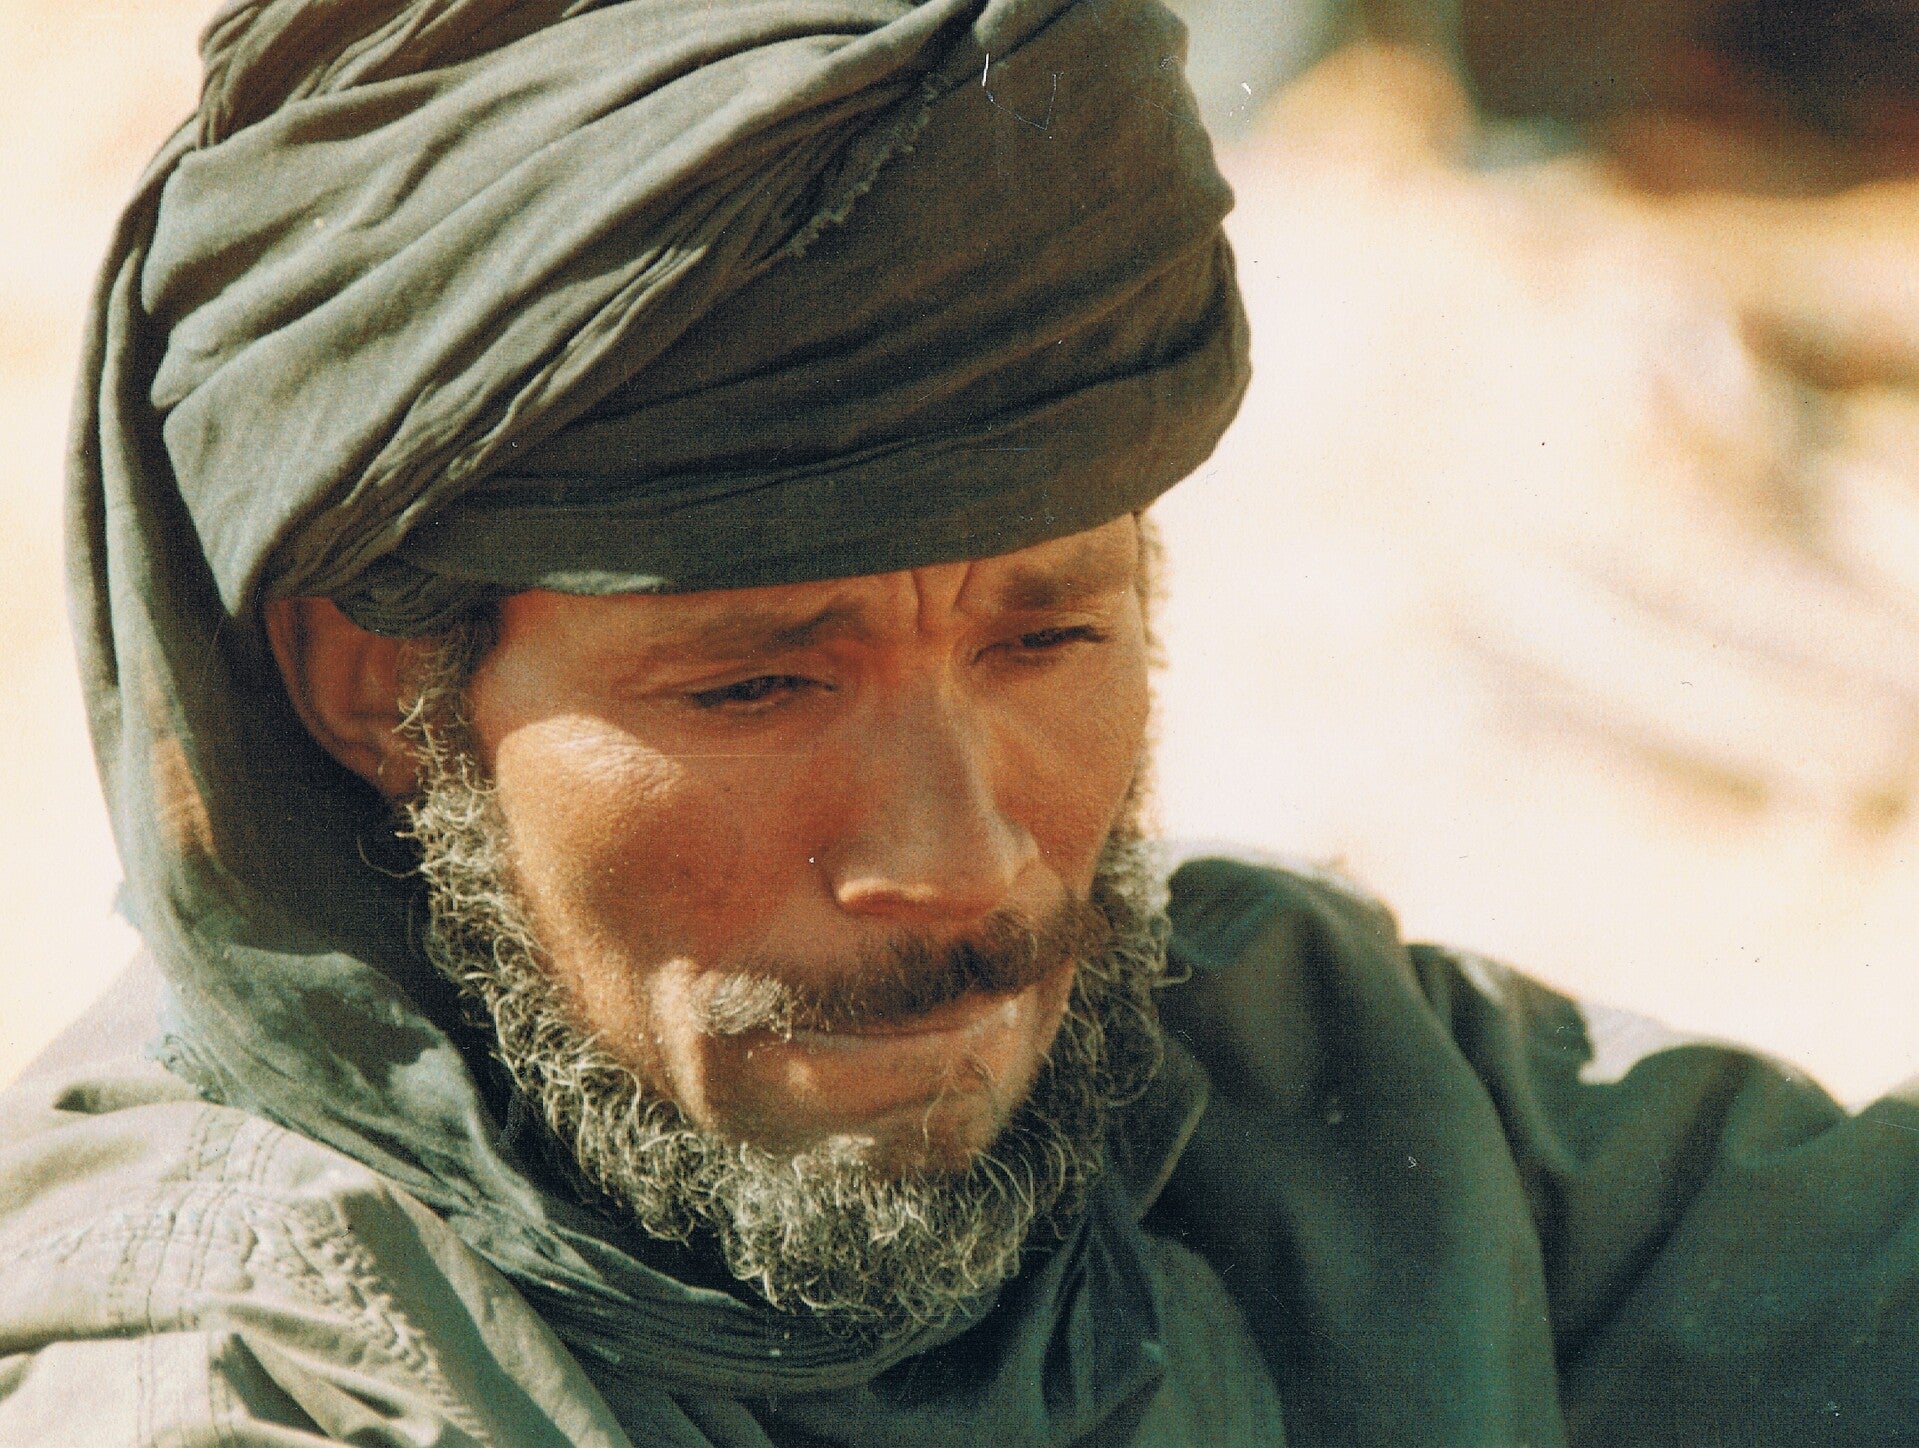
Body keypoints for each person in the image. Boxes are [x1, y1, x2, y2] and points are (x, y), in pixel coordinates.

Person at [2, 0, 1918, 1443]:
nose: (962, 861)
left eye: (1049, 635)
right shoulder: (257, 1382)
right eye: (756, 684)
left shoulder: (1301, 1085)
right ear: (371, 687)